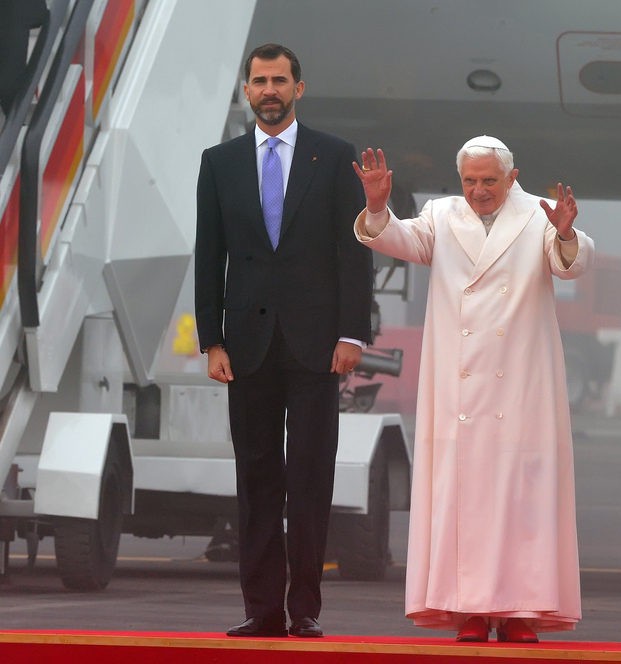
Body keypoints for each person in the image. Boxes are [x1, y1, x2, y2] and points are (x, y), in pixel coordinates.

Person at [352, 136, 593, 643]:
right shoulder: (442, 216)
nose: (479, 190)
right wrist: (377, 207)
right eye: (470, 181)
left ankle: (524, 609)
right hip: (460, 391)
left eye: (489, 180)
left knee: (524, 497)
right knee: (468, 498)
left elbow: (569, 261)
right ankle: (471, 610)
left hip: (521, 383)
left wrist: (568, 236)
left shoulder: (538, 215)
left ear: (512, 176)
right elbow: (395, 239)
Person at [195, 43, 373, 638]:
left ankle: (305, 610)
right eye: (259, 81)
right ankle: (262, 609)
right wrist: (211, 340)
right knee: (258, 478)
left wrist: (353, 333)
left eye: (280, 80)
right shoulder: (218, 163)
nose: (269, 90)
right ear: (246, 91)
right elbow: (209, 256)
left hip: (318, 343)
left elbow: (354, 254)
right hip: (246, 345)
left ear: (300, 87)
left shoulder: (334, 157)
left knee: (310, 476)